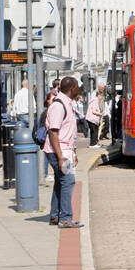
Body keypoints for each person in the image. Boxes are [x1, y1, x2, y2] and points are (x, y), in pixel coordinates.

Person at [44, 76, 82, 228]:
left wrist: (74, 152)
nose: (79, 88)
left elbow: (68, 132)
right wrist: (60, 157)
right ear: (72, 88)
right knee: (67, 181)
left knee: (60, 182)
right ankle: (65, 218)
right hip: (58, 151)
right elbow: (54, 132)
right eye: (77, 86)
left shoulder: (67, 103)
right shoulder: (59, 106)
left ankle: (55, 215)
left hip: (65, 150)